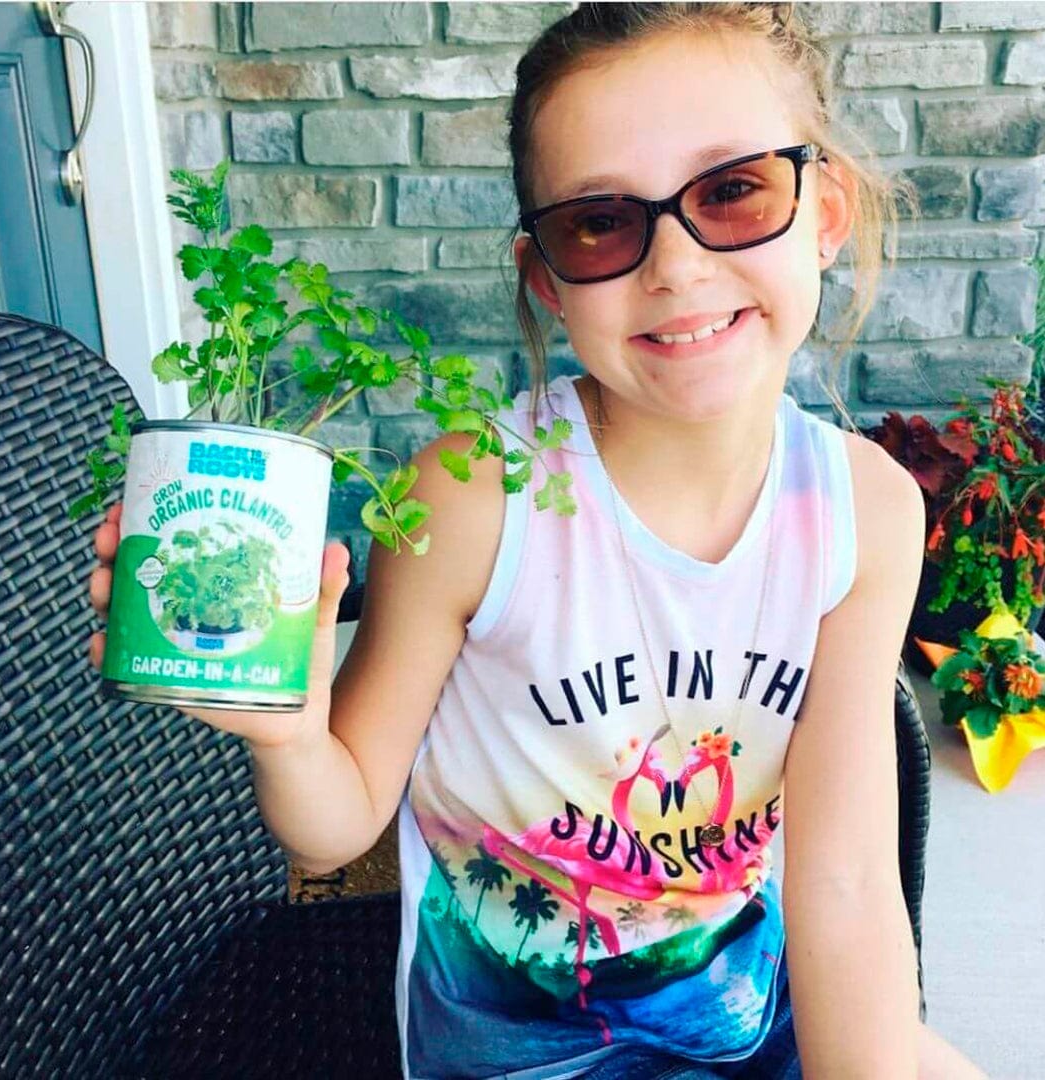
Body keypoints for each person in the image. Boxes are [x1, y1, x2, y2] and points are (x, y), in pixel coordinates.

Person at [89, 4, 989, 1077]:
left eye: (734, 190)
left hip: (744, 1024)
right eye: (601, 221)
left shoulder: (867, 511)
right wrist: (286, 731)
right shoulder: (472, 498)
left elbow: (844, 885)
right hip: (515, 1052)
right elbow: (334, 831)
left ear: (825, 210)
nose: (677, 266)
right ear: (546, 279)